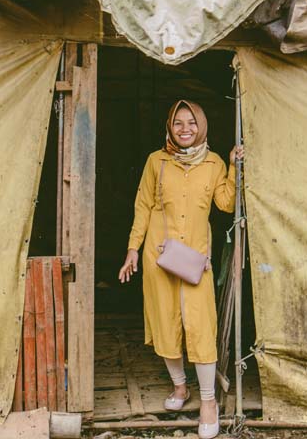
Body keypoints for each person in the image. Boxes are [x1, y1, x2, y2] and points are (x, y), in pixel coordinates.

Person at [118, 99, 243, 439]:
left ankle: (208, 403)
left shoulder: (214, 163)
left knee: (200, 326)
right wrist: (132, 249)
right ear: (170, 127)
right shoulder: (156, 162)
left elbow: (226, 203)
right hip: (158, 255)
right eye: (178, 123)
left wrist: (233, 166)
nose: (185, 129)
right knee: (165, 322)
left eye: (191, 123)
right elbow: (142, 206)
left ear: (201, 126)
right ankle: (179, 387)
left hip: (195, 259)